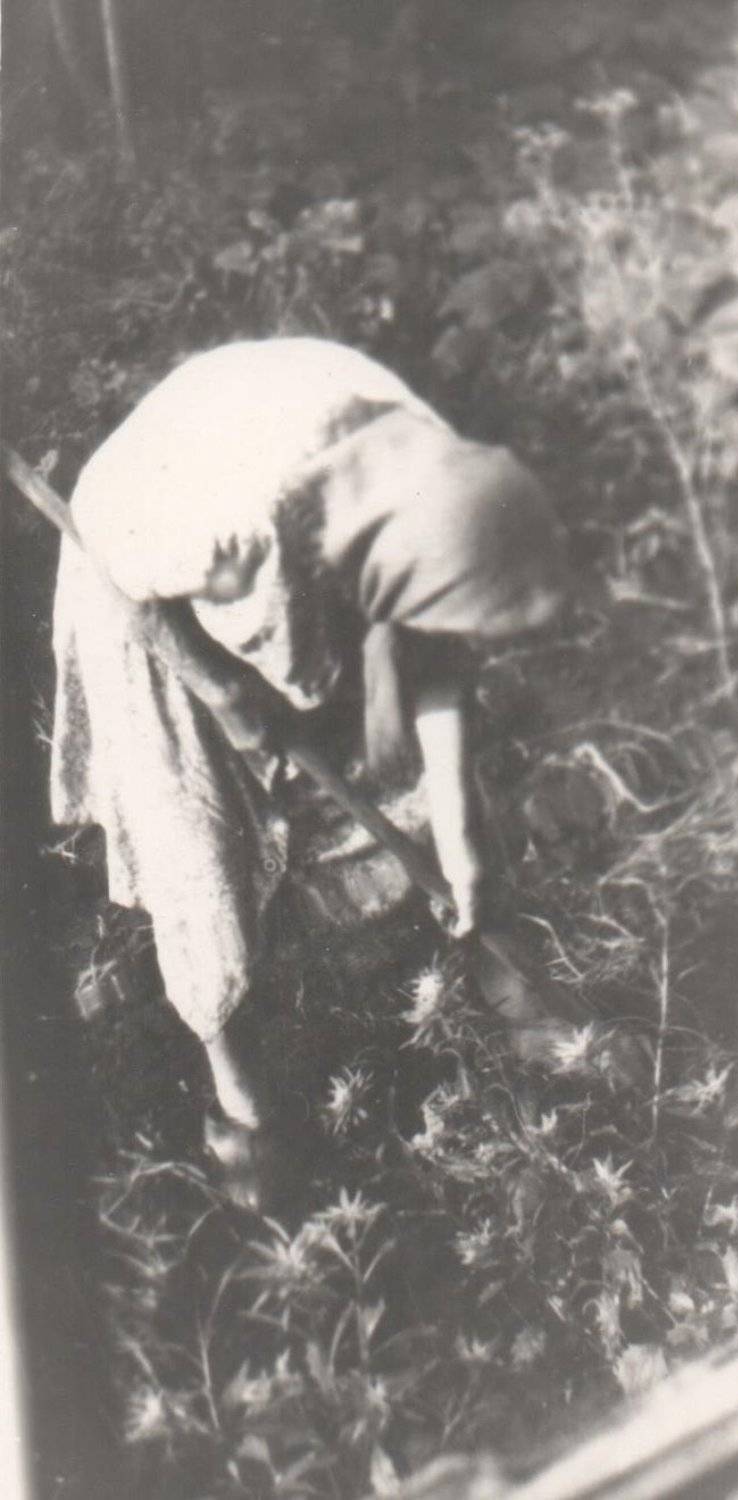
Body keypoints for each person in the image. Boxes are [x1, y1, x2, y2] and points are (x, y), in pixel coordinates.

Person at [50, 337, 569, 1200]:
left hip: (287, 540)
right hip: (138, 569)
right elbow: (117, 563)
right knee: (198, 841)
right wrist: (219, 688)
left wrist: (463, 842)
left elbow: (439, 653)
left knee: (397, 767)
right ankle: (243, 1108)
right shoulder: (239, 528)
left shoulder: (433, 478)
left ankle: (500, 963)